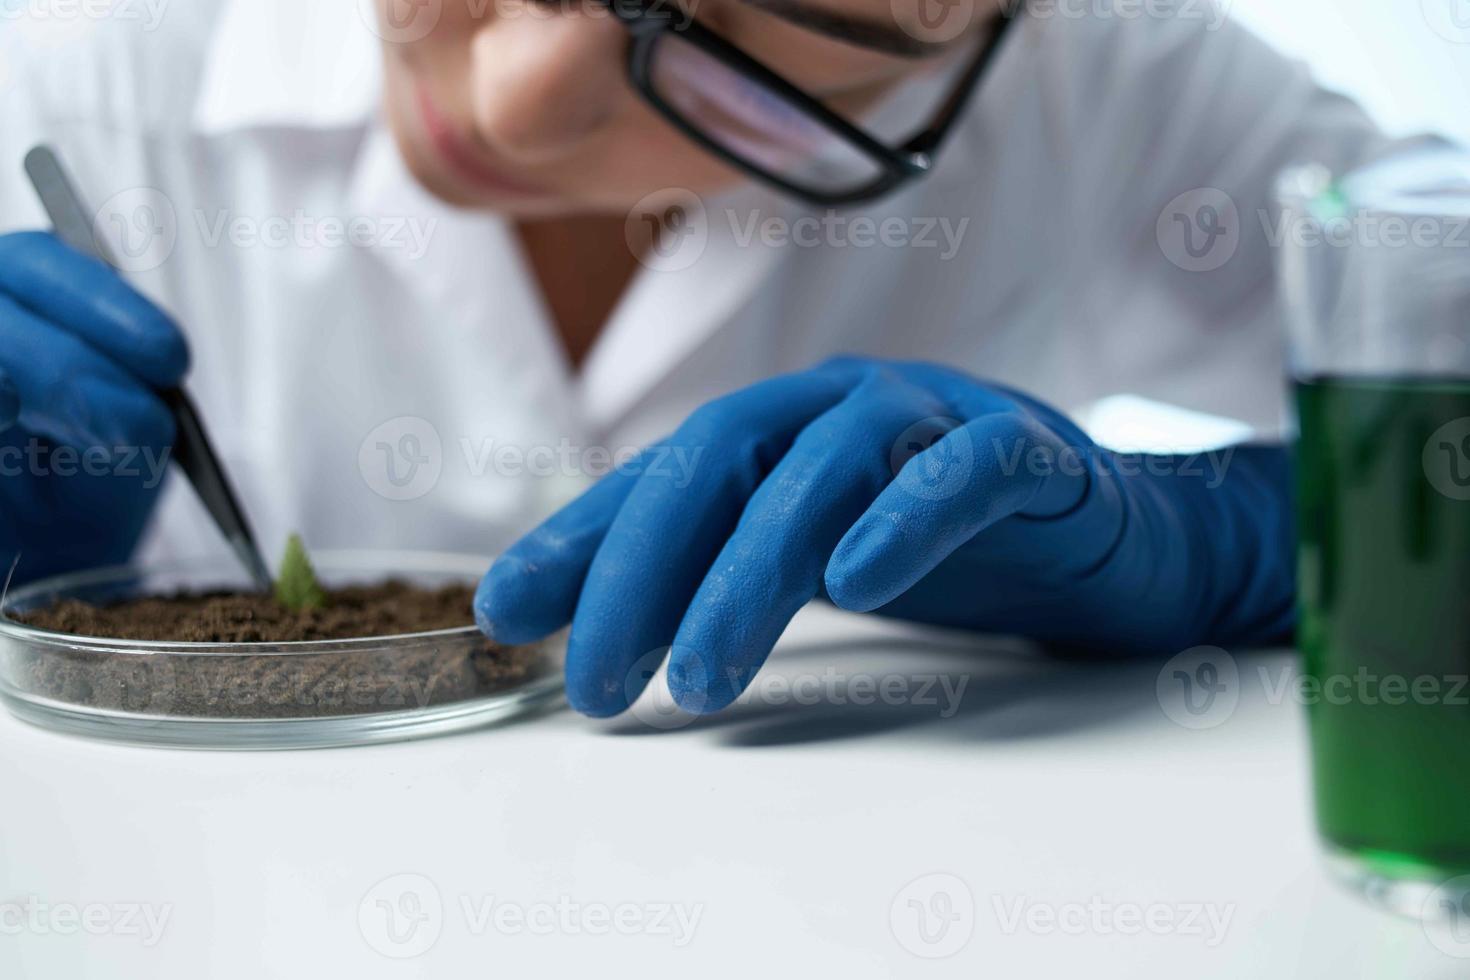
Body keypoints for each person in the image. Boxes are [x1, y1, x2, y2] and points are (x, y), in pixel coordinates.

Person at [0, 0, 1413, 716]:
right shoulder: (73, 63)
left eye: (756, 67)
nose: (521, 110)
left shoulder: (1106, 81)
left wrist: (1229, 539)